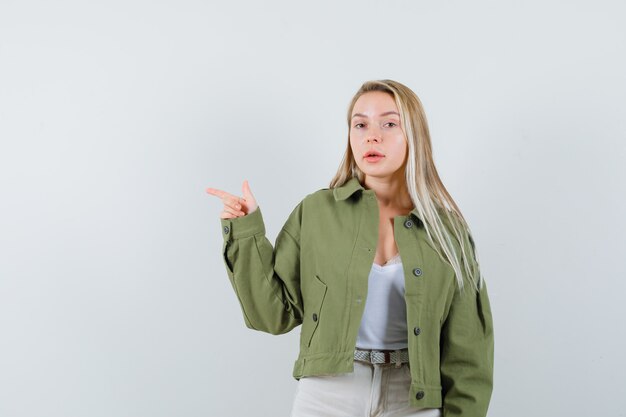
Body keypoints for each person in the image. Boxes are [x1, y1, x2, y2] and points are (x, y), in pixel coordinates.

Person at [206, 79, 494, 417]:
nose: (372, 136)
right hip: (327, 392)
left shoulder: (448, 231)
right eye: (360, 124)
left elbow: (469, 350)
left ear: (414, 135)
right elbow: (273, 315)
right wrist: (246, 229)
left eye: (389, 123)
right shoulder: (316, 212)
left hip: (413, 396)